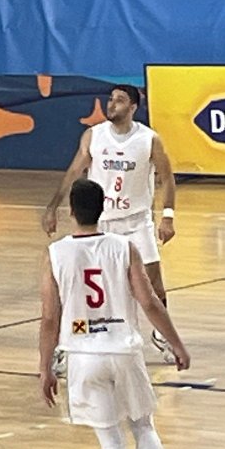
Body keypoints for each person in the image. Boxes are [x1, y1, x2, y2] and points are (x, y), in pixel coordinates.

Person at [40, 179, 191, 449]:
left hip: (83, 356)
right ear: (103, 208)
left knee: (111, 443)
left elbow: (49, 318)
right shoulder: (124, 247)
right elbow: (149, 301)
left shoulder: (56, 253)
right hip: (124, 351)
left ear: (71, 211)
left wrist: (45, 368)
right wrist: (175, 343)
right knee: (143, 426)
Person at [42, 84, 177, 368]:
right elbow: (74, 171)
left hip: (136, 221)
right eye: (111, 99)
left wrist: (168, 216)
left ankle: (162, 336)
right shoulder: (94, 135)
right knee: (79, 285)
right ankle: (65, 346)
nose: (112, 104)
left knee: (154, 284)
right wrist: (53, 206)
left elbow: (167, 177)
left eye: (120, 100)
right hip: (100, 222)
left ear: (133, 107)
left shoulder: (148, 139)